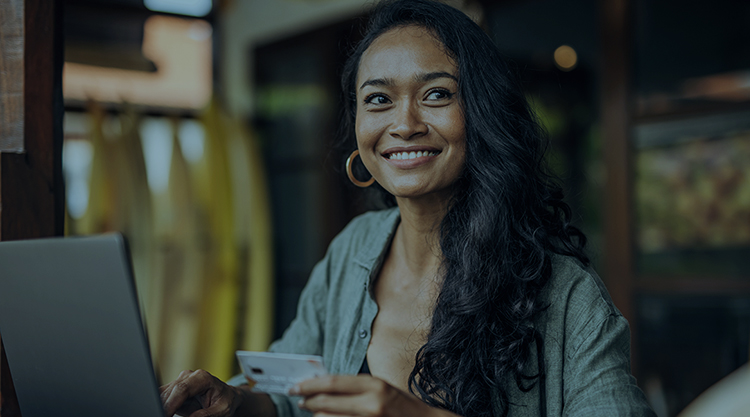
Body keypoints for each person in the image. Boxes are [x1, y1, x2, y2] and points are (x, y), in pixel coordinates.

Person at [160, 0, 657, 416]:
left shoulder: (567, 295)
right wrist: (237, 400)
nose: (404, 124)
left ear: (482, 115)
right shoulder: (352, 251)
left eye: (436, 94)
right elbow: (290, 390)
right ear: (359, 128)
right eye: (378, 99)